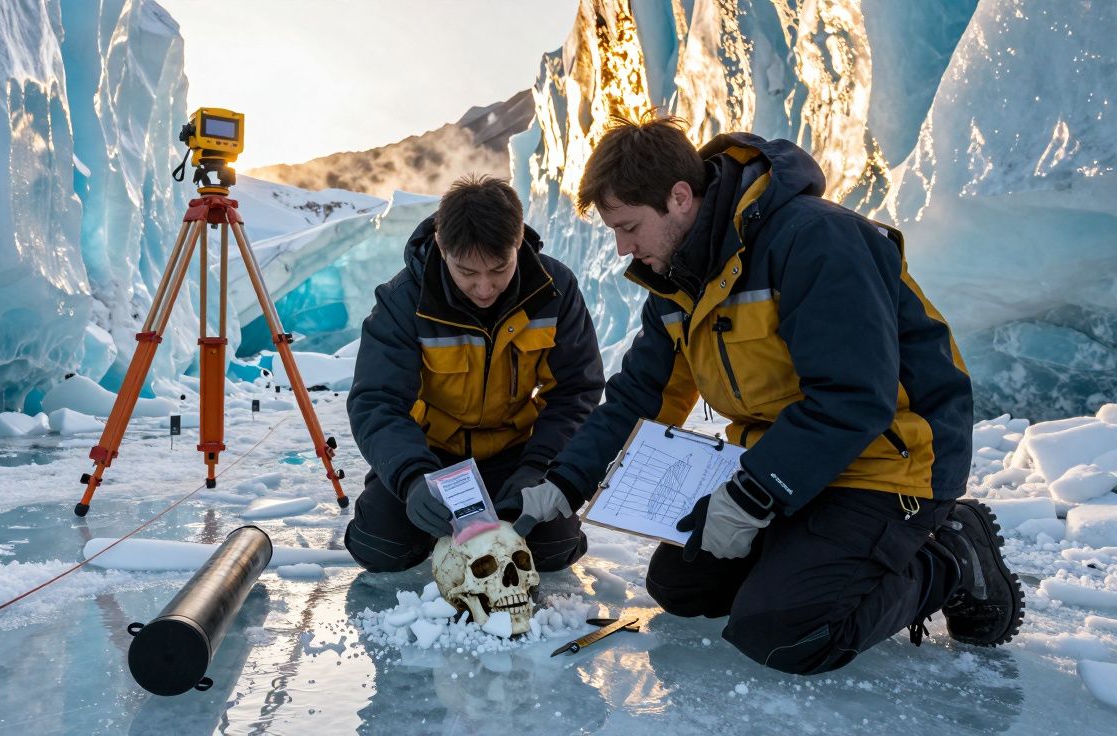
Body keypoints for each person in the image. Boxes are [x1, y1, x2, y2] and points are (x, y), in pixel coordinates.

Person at [505, 116, 1025, 675]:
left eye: (628, 227)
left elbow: (854, 398)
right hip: (793, 464)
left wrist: (754, 495)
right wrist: (563, 481)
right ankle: (808, 558)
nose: (622, 247)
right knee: (680, 587)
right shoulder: (677, 283)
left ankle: (947, 556)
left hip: (891, 461)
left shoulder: (814, 240)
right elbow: (638, 397)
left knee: (784, 635)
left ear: (679, 198)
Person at [344, 175, 603, 573]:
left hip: (519, 456)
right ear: (443, 247)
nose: (485, 288)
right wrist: (413, 478)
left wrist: (540, 466)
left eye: (499, 269)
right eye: (468, 273)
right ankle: (432, 521)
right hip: (433, 458)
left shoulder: (556, 290)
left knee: (555, 551)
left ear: (517, 243)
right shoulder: (402, 302)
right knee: (378, 547)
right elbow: (377, 401)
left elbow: (576, 391)